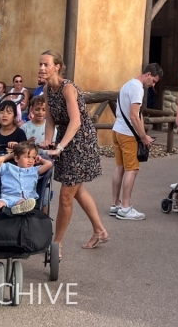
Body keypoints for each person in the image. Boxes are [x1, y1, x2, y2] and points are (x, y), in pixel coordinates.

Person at [39, 50, 107, 256]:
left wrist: (60, 147)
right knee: (77, 191)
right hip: (65, 140)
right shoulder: (47, 90)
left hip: (81, 142)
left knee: (66, 196)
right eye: (40, 64)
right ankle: (100, 230)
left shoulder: (67, 88)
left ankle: (56, 243)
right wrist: (49, 141)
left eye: (46, 64)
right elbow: (50, 120)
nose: (41, 68)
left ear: (57, 67)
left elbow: (76, 121)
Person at [110, 64, 162, 221]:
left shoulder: (128, 84)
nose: (152, 85)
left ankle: (115, 205)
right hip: (127, 134)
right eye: (153, 81)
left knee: (120, 168)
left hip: (117, 130)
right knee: (132, 169)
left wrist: (143, 134)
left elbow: (135, 114)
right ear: (147, 74)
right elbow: (134, 115)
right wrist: (143, 137)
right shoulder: (137, 88)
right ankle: (125, 208)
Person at [0, 141, 53, 218]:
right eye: (27, 157)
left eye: (33, 158)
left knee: (23, 203)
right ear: (17, 158)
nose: (31, 160)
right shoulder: (8, 168)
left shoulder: (34, 170)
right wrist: (12, 155)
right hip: (7, 196)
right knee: (0, 202)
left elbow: (49, 164)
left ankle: (18, 209)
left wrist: (40, 160)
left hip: (24, 198)